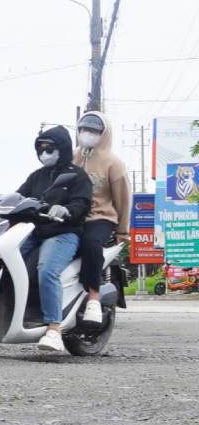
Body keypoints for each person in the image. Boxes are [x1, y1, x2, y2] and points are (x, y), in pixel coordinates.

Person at [17, 125, 93, 352]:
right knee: (4, 262)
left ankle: (54, 329)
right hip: (36, 232)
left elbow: (82, 204)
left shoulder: (77, 175)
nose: (44, 152)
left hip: (63, 233)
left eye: (49, 148)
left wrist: (66, 210)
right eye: (40, 148)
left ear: (62, 148)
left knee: (47, 270)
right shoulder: (36, 176)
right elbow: (19, 196)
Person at [72, 111, 131, 325]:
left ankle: (94, 298)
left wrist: (123, 230)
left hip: (101, 217)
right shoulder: (73, 156)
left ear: (104, 133)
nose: (87, 133)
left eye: (94, 130)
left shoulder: (114, 163)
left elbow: (123, 200)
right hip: (72, 215)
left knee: (91, 242)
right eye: (83, 129)